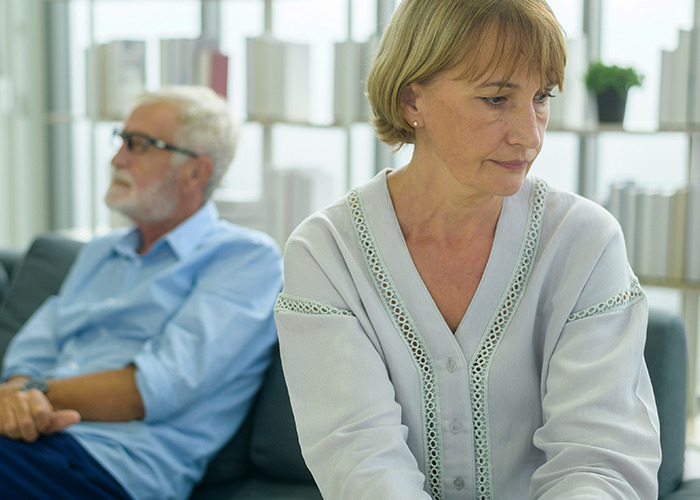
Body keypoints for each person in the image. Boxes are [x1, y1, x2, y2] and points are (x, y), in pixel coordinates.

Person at [273, 0, 661, 498]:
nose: (530, 133)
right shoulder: (325, 254)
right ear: (413, 100)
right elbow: (360, 462)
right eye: (496, 99)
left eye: (541, 97)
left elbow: (600, 461)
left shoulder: (585, 242)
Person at [0, 86, 283, 500]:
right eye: (121, 140)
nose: (117, 159)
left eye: (139, 145)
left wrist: (29, 396)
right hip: (28, 441)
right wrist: (19, 400)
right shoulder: (100, 251)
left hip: (110, 468)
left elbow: (153, 389)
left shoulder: (244, 258)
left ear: (195, 172)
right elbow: (32, 351)